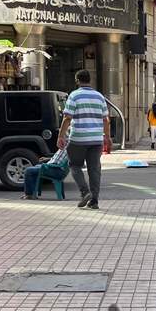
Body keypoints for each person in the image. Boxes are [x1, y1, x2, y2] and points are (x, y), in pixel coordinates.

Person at [57, 69, 111, 210]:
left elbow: (67, 118)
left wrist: (61, 136)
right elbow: (106, 120)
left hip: (78, 139)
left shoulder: (74, 96)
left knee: (74, 166)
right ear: (90, 80)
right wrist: (107, 137)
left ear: (77, 81)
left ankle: (84, 192)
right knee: (95, 170)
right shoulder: (99, 97)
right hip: (96, 139)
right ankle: (94, 201)